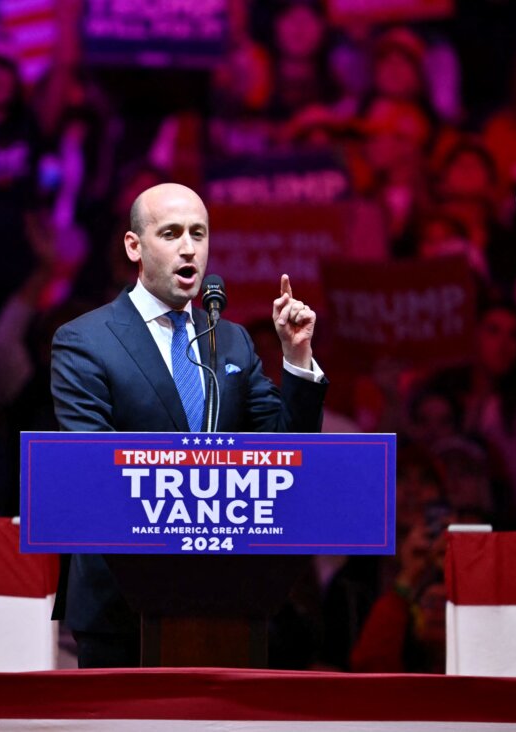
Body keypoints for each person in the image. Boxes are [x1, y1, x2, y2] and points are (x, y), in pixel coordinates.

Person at [49, 182, 329, 668]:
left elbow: (288, 454)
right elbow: (93, 463)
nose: (188, 248)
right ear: (134, 246)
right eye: (171, 233)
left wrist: (296, 357)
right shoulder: (84, 341)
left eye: (198, 234)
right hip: (122, 600)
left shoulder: (233, 341)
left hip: (228, 591)